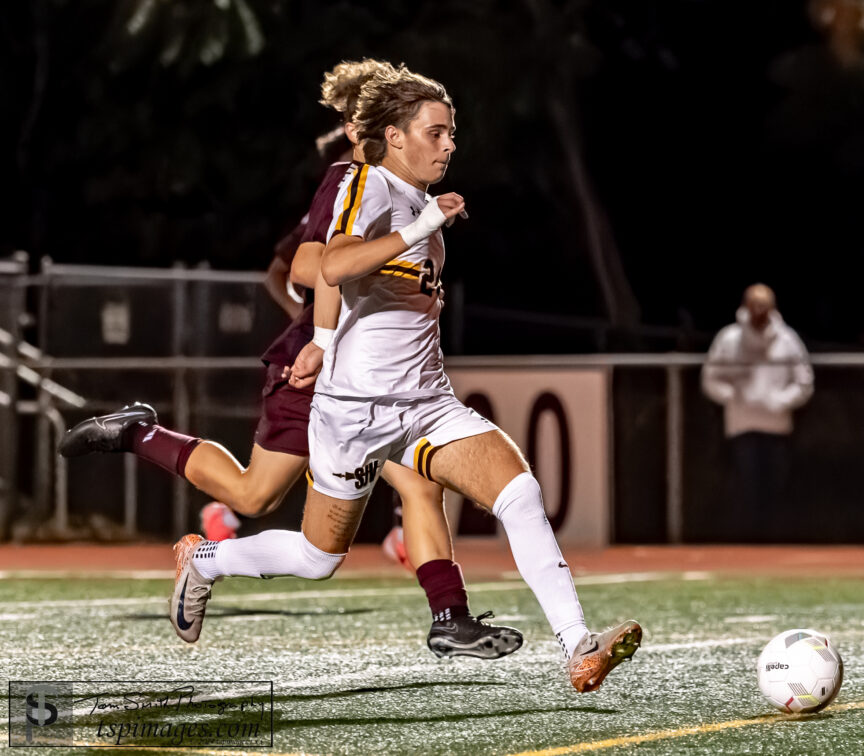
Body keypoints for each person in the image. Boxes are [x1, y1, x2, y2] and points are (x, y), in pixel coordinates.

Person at [171, 66, 642, 693]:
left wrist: (323, 340)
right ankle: (207, 560)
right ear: (395, 137)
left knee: (519, 491)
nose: (450, 145)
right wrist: (334, 332)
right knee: (318, 560)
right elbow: (328, 264)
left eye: (452, 133)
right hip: (355, 412)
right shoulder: (366, 185)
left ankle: (579, 645)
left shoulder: (419, 200)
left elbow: (356, 288)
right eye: (437, 133)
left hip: (425, 404)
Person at [59, 59, 522, 660]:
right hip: (325, 372)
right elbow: (307, 266)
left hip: (370, 375)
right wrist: (325, 324)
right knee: (254, 499)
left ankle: (450, 617)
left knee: (418, 483)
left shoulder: (396, 188)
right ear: (370, 131)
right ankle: (140, 435)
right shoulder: (351, 182)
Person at [701, 284, 814, 540]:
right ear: (745, 305)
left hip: (777, 425)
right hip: (741, 425)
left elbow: (804, 382)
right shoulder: (729, 339)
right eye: (754, 303)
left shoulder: (788, 340)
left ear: (773, 307)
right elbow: (710, 379)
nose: (759, 310)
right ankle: (743, 546)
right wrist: (735, 397)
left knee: (777, 489)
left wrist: (780, 401)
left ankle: (776, 545)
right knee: (745, 487)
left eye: (764, 304)